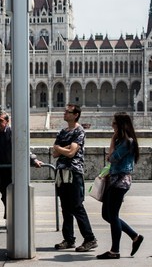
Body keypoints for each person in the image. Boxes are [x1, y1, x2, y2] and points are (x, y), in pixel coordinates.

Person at [96, 112, 144, 260]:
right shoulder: (122, 141)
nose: (112, 125)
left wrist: (111, 140)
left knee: (113, 215)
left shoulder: (127, 142)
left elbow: (112, 158)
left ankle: (115, 250)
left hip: (120, 182)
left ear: (121, 125)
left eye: (115, 123)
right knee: (107, 214)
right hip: (114, 180)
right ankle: (134, 236)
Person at [52, 104, 98, 252]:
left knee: (77, 207)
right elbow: (55, 153)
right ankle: (69, 239)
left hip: (74, 172)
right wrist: (63, 149)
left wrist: (61, 149)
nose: (64, 113)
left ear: (75, 115)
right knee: (65, 208)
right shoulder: (62, 131)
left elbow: (71, 153)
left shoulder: (79, 131)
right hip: (61, 172)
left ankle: (90, 238)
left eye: (68, 112)